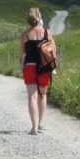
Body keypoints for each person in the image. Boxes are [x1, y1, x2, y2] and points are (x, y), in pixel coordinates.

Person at [20, 7, 53, 135]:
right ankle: (40, 124)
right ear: (39, 18)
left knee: (32, 96)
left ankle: (33, 127)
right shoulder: (47, 33)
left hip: (29, 66)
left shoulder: (25, 35)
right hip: (44, 67)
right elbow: (51, 50)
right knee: (42, 95)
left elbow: (23, 54)